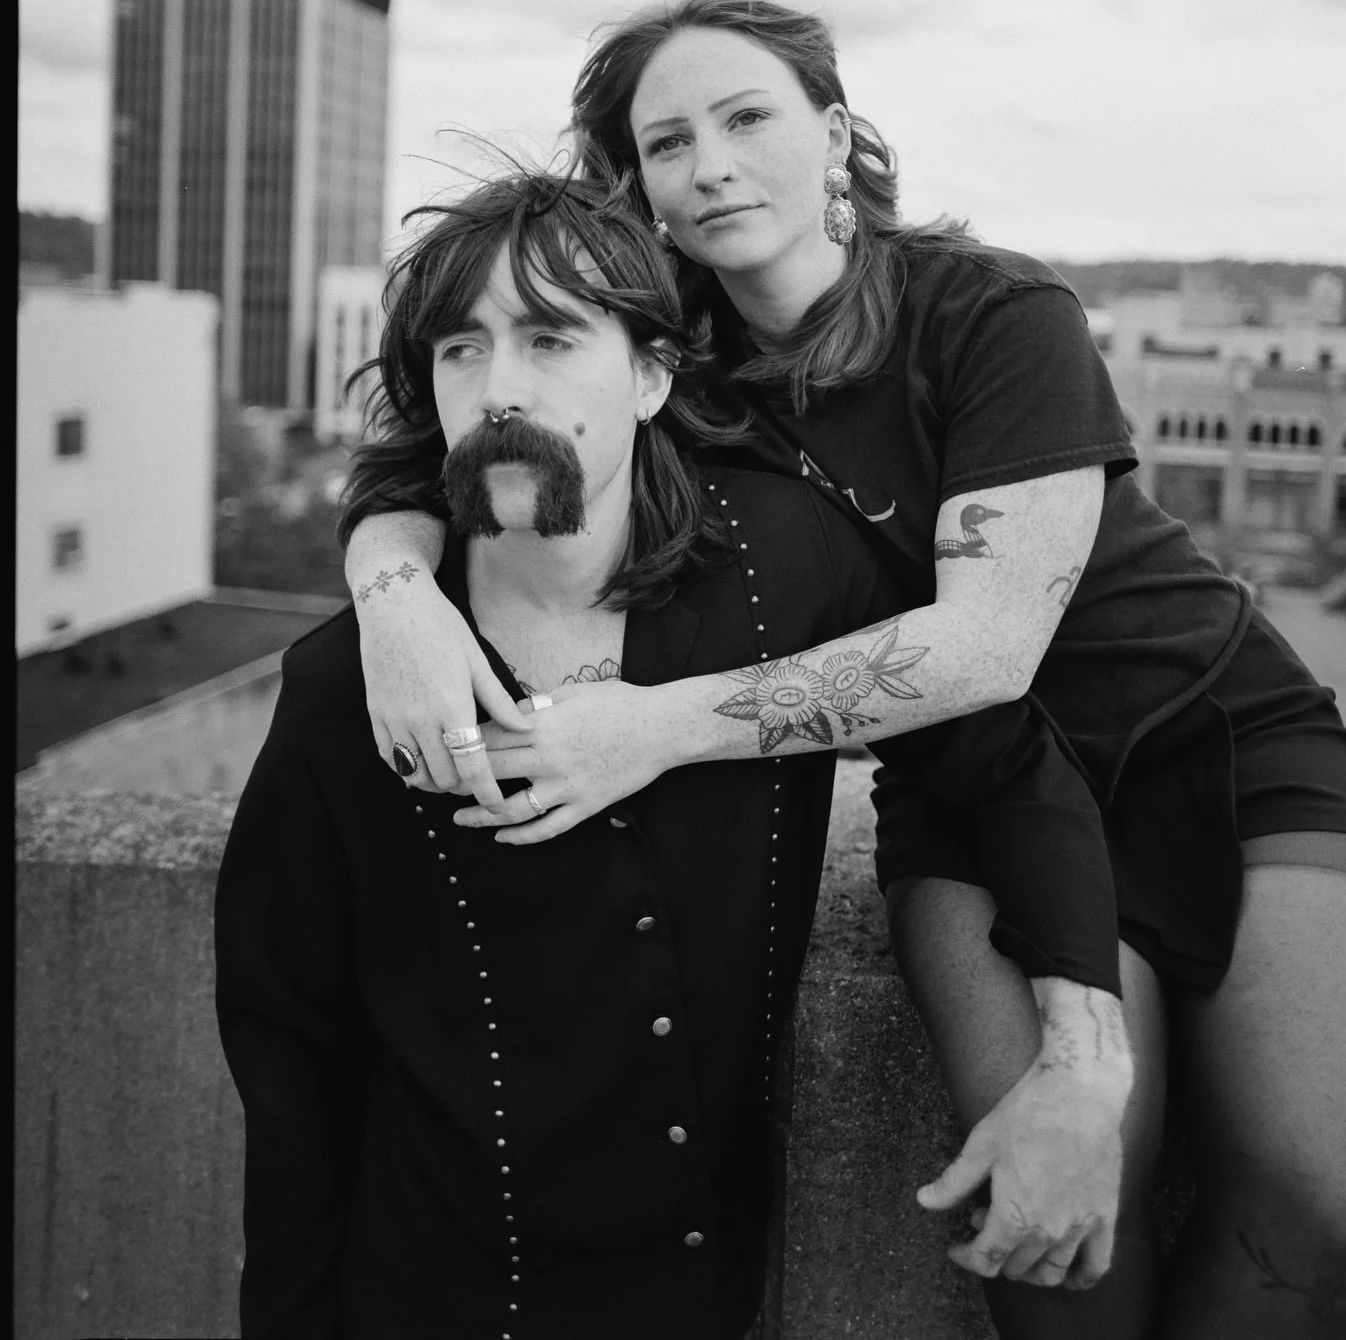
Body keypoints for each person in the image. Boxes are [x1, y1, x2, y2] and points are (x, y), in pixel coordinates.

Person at [344, 0, 1346, 1340]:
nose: (710, 163)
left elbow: (990, 641)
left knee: (1332, 1199)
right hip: (976, 796)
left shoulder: (993, 310)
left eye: (746, 117)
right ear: (642, 186)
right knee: (1056, 1249)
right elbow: (419, 453)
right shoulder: (672, 370)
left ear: (835, 134)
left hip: (1223, 739)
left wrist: (651, 727)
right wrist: (393, 599)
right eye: (667, 142)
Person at [215, 169, 1133, 1340]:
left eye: (552, 337)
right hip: (433, 1297)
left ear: (651, 374)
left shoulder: (784, 566)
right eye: (460, 348)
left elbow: (1002, 759)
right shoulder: (348, 680)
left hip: (703, 1298)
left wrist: (1081, 1058)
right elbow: (291, 1061)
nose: (499, 386)